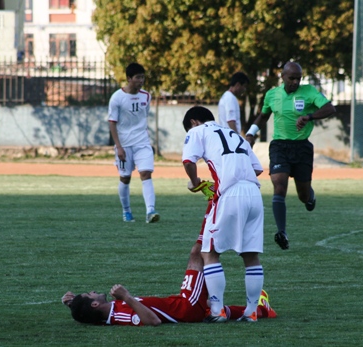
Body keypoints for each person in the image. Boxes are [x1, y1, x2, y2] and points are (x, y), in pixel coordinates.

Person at [61, 242, 277, 326]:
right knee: (198, 253)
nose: (93, 291)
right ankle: (220, 226)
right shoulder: (119, 315)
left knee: (218, 309)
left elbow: (86, 310)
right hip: (186, 306)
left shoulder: (108, 311)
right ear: (95, 305)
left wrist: (73, 304)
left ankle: (261, 310)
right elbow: (153, 321)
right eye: (89, 295)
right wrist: (126, 296)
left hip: (181, 304)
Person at [182, 106, 265, 323]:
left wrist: (195, 182)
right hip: (254, 194)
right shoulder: (235, 135)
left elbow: (188, 161)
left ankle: (217, 310)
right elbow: (256, 169)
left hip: (230, 194)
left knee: (209, 251)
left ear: (193, 122)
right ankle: (251, 311)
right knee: (251, 255)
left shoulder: (197, 131)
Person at [245, 61, 336, 250]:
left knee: (303, 194)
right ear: (283, 77)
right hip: (279, 146)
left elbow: (330, 108)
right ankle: (282, 232)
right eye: (291, 78)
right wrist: (251, 134)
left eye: (298, 78)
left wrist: (309, 117)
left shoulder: (309, 92)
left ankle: (310, 197)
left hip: (302, 148)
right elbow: (263, 116)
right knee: (279, 187)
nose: (295, 82)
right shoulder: (272, 95)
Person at [108, 62, 159, 224]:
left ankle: (150, 211)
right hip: (124, 145)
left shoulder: (146, 96)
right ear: (129, 78)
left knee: (146, 173)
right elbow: (112, 123)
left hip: (142, 142)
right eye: (138, 77)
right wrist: (119, 147)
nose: (141, 81)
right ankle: (126, 211)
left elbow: (144, 117)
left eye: (143, 77)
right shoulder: (117, 98)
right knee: (125, 178)